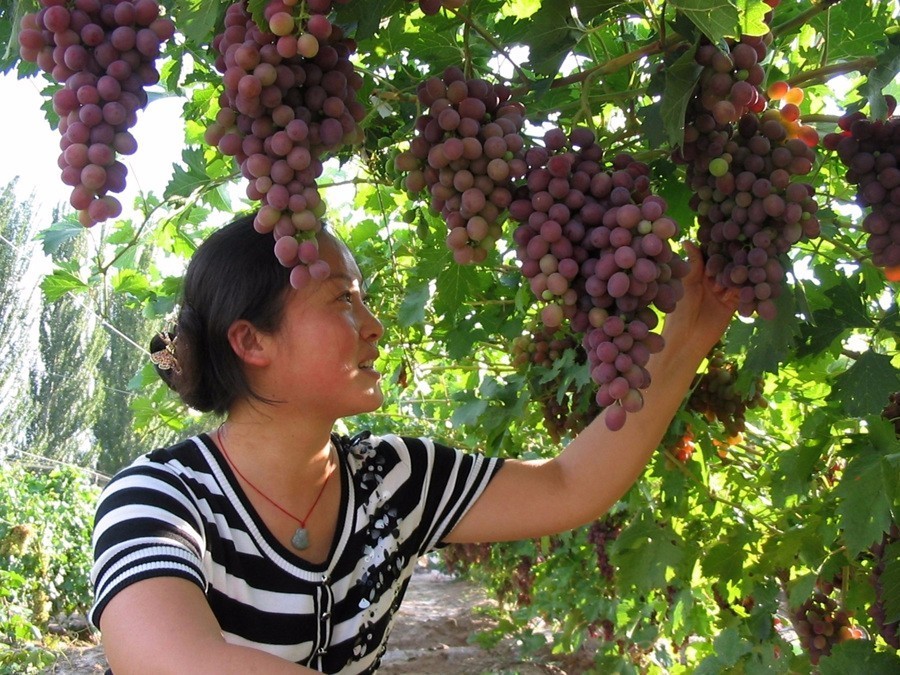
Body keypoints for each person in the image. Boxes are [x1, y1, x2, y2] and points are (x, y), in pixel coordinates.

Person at [89, 210, 737, 674]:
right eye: (344, 299)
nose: (373, 325)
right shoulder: (158, 500)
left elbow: (569, 484)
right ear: (251, 340)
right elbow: (174, 661)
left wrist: (687, 340)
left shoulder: (394, 481)